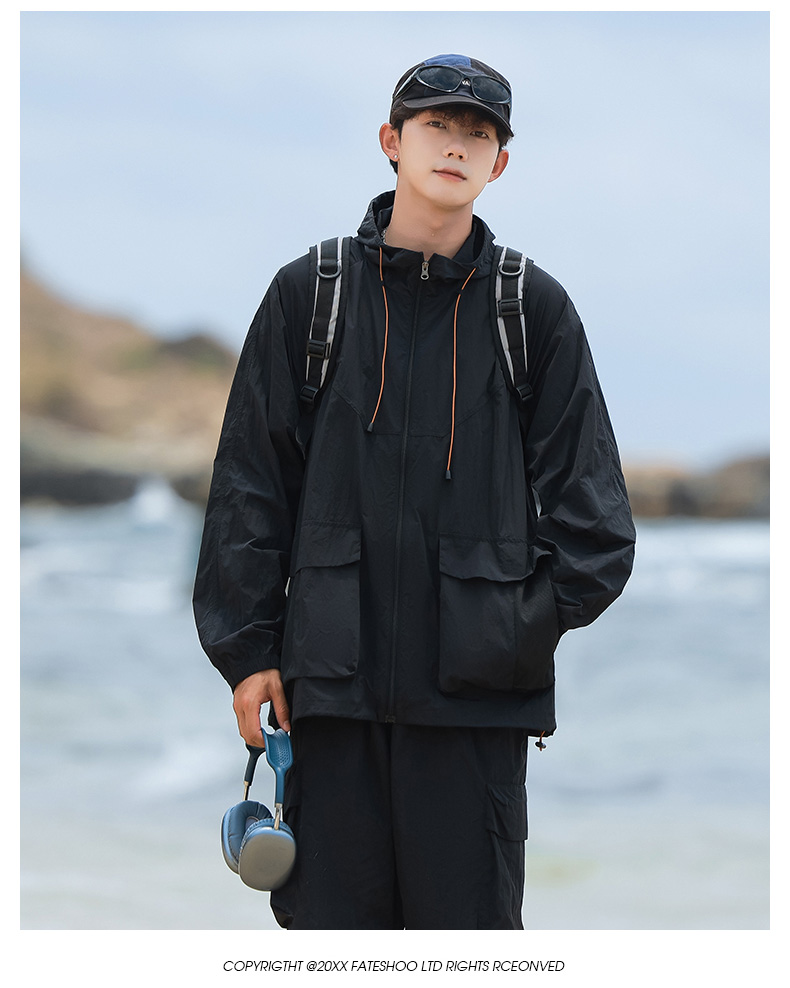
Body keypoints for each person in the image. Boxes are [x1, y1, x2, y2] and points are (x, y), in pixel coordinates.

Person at [193, 53, 636, 930]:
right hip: (328, 706)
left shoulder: (532, 311)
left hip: (473, 720)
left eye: (479, 133)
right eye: (438, 125)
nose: (457, 146)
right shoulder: (308, 297)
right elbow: (250, 491)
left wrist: (505, 631)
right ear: (392, 141)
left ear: (500, 164)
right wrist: (248, 655)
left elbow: (598, 529)